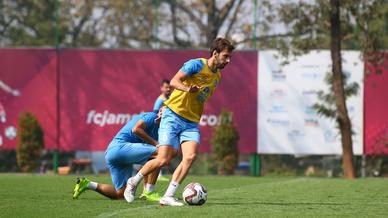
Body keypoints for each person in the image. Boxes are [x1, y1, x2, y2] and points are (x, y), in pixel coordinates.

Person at [124, 37, 235, 206]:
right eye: (225, 56)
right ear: (215, 53)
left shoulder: (217, 76)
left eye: (229, 57)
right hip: (173, 116)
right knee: (163, 159)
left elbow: (201, 98)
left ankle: (168, 195)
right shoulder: (196, 65)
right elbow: (175, 81)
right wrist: (187, 89)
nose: (228, 60)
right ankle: (133, 181)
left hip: (191, 122)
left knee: (190, 156)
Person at [72, 108, 165, 201]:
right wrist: (156, 143)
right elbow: (136, 129)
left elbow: (150, 163)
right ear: (160, 111)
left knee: (120, 194)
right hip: (119, 148)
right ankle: (149, 191)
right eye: (167, 112)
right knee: (161, 153)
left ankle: (88, 184)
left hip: (113, 154)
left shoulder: (160, 130)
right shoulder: (152, 116)